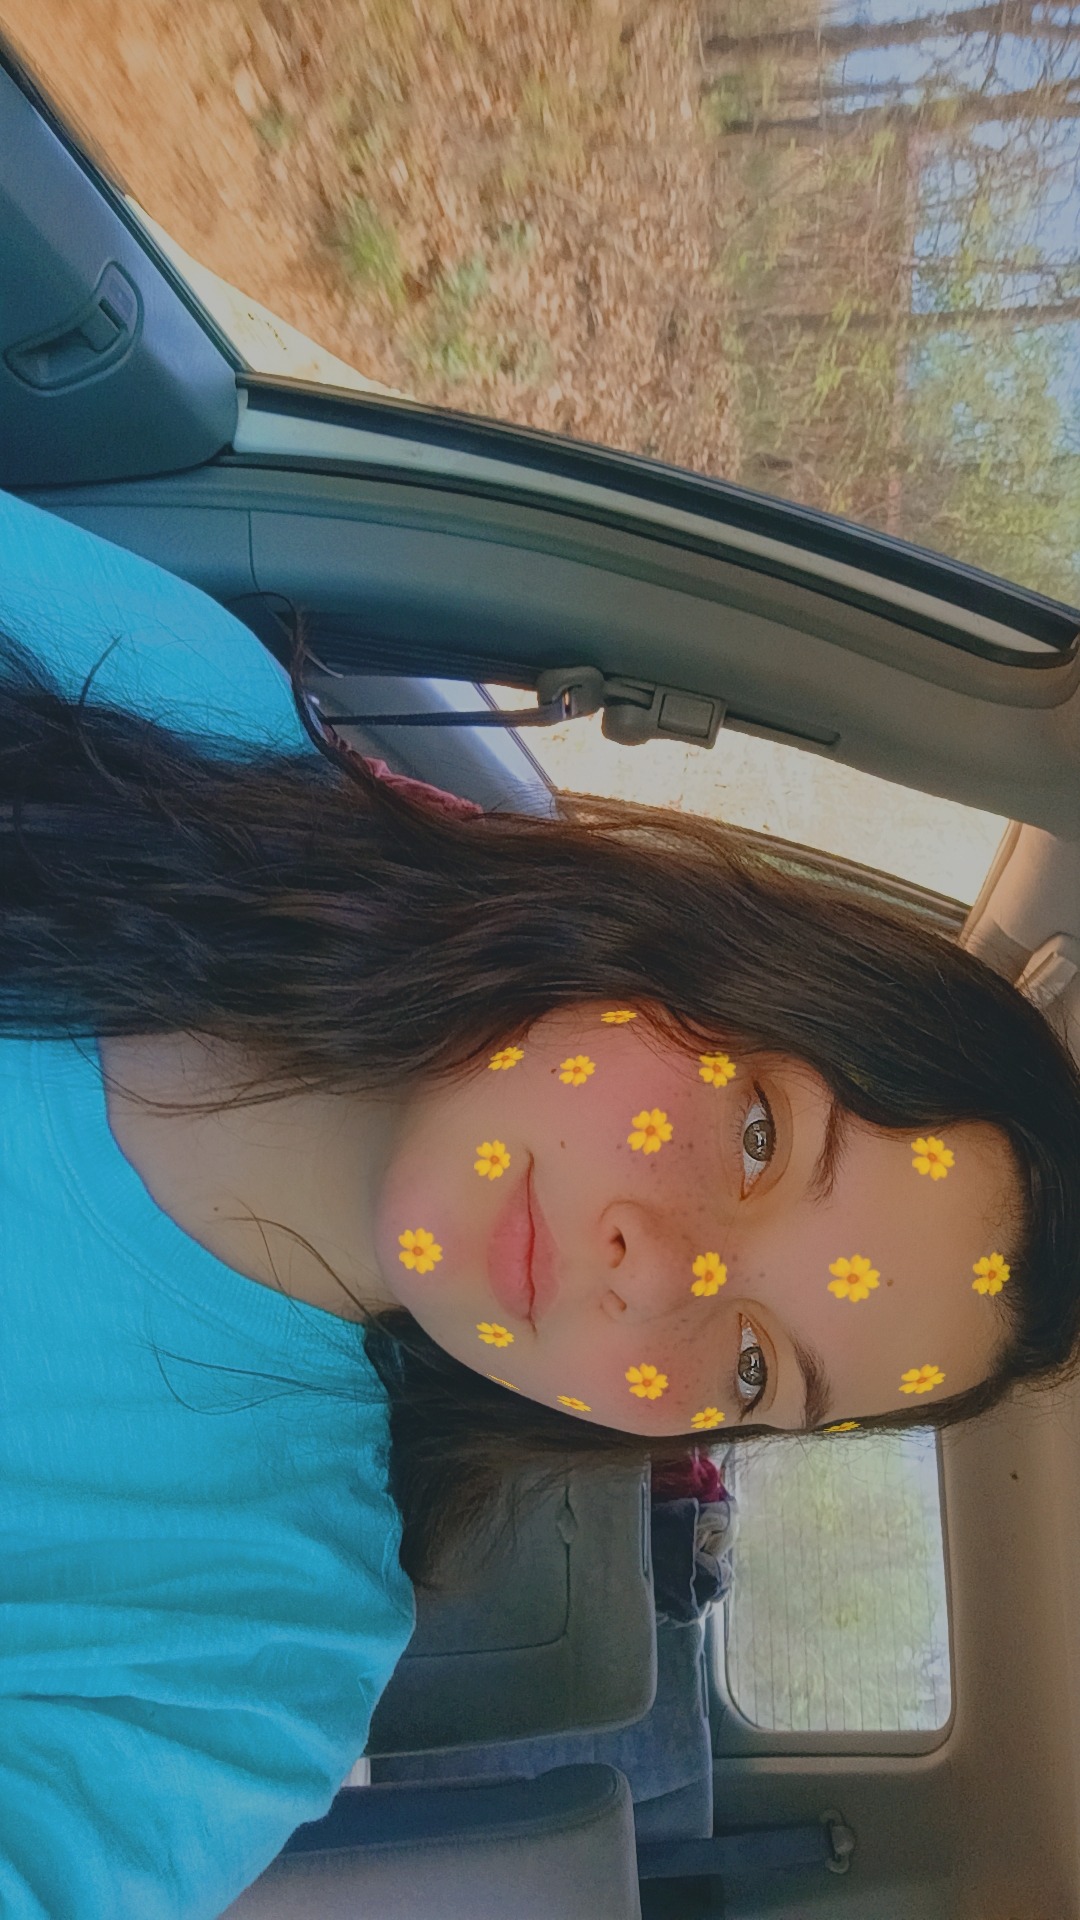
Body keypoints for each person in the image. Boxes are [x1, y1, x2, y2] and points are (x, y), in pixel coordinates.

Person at [3, 486, 1080, 1916]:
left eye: (751, 1367)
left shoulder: (249, 1656)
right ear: (699, 962)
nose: (660, 1275)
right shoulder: (168, 697)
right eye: (762, 1137)